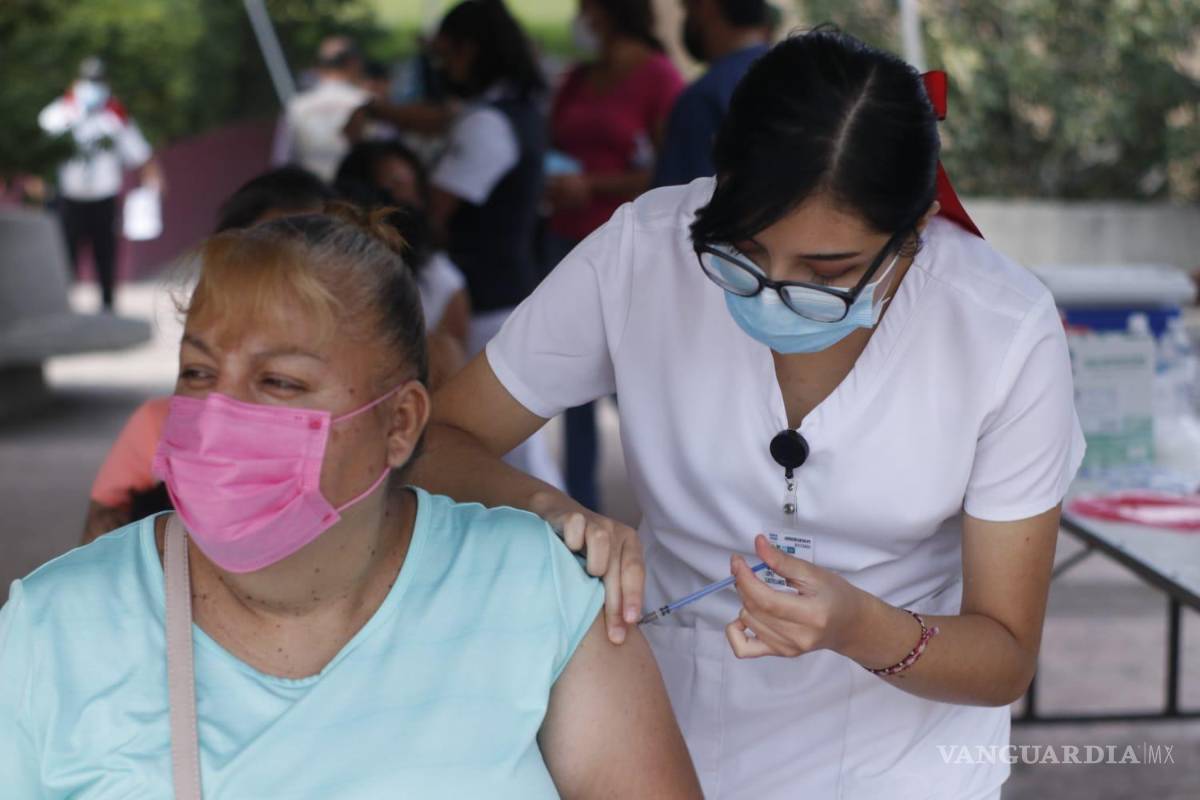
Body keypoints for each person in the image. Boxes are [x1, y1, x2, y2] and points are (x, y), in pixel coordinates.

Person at [411, 30, 1085, 798]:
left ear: (916, 230)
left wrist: (859, 627)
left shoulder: (1000, 328)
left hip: (900, 763)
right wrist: (553, 510)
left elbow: (1003, 657)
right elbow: (436, 442)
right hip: (659, 736)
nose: (771, 292)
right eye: (742, 254)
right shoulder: (645, 249)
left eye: (825, 273)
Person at [1, 207, 702, 797]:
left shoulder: (535, 592)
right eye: (198, 371)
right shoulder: (56, 625)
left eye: (278, 382)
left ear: (399, 424)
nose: (218, 412)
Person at [357, 0, 562, 489]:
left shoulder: (488, 124)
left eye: (448, 56)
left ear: (473, 52)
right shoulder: (511, 111)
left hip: (485, 297)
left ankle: (559, 536)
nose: (443, 69)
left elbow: (437, 215)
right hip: (503, 285)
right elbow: (438, 120)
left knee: (496, 436)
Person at [81, 166, 333, 544]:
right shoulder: (158, 426)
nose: (279, 284)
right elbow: (97, 539)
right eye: (198, 373)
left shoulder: (355, 435)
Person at [544, 0, 684, 510]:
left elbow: (674, 172)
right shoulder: (579, 77)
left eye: (588, 8)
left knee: (635, 383)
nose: (581, 17)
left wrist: (595, 185)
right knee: (569, 385)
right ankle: (581, 513)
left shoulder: (658, 77)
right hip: (566, 243)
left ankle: (675, 503)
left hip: (629, 249)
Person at [335, 140, 471, 385]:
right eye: (393, 189)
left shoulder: (443, 282)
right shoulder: (307, 275)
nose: (409, 203)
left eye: (414, 190)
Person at [38, 56, 162, 311]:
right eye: (88, 80)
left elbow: (139, 152)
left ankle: (108, 308)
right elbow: (42, 135)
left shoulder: (114, 115)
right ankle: (63, 308)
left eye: (96, 80)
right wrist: (73, 111)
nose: (92, 86)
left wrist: (153, 178)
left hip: (104, 199)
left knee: (105, 257)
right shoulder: (62, 111)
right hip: (70, 198)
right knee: (66, 256)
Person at [652, 0, 770, 188]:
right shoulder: (800, 83)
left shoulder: (703, 98)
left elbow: (679, 203)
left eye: (687, 8)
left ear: (707, 7)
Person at [272, 36, 370, 182]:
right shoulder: (368, 102)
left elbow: (282, 160)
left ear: (318, 67)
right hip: (356, 193)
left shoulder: (296, 106)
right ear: (354, 63)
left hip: (310, 193)